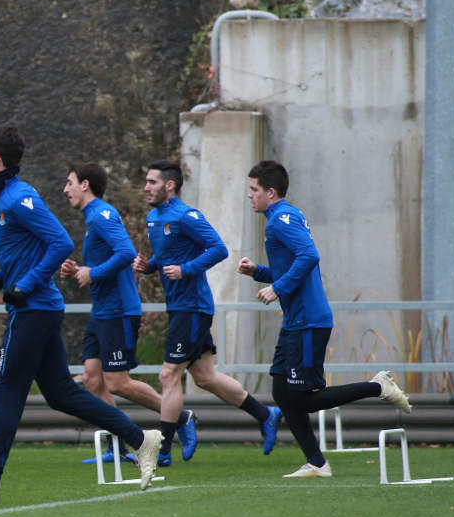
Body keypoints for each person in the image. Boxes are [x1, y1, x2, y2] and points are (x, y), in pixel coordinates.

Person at [0, 127, 161, 503]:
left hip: (34, 310)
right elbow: (30, 250)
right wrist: (2, 277)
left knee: (6, 389)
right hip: (36, 307)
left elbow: (60, 242)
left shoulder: (19, 196)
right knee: (59, 393)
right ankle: (141, 439)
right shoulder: (6, 198)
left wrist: (24, 285)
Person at [238, 160, 410, 477]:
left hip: (307, 322)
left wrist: (276, 288)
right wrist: (258, 273)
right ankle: (316, 463)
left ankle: (377, 387)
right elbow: (291, 265)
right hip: (297, 320)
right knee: (281, 392)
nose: (249, 196)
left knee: (301, 399)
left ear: (270, 192)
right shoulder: (281, 217)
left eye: (253, 190)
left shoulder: (281, 220)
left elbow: (309, 256)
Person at [133, 159, 280, 464]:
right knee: (204, 377)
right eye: (146, 182)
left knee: (168, 374)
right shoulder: (153, 218)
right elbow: (166, 256)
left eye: (152, 182)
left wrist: (186, 270)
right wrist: (150, 267)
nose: (146, 187)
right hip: (179, 307)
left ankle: (162, 452)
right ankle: (266, 414)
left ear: (169, 185)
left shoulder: (187, 216)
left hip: (193, 307)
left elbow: (218, 249)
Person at [58, 162, 179, 464]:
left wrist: (93, 273)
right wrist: (77, 271)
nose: (65, 189)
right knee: (92, 380)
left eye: (69, 183)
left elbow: (126, 253)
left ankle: (179, 416)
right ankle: (115, 448)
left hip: (119, 311)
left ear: (85, 185)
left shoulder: (102, 214)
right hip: (102, 311)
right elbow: (102, 262)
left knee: (117, 383)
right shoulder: (90, 219)